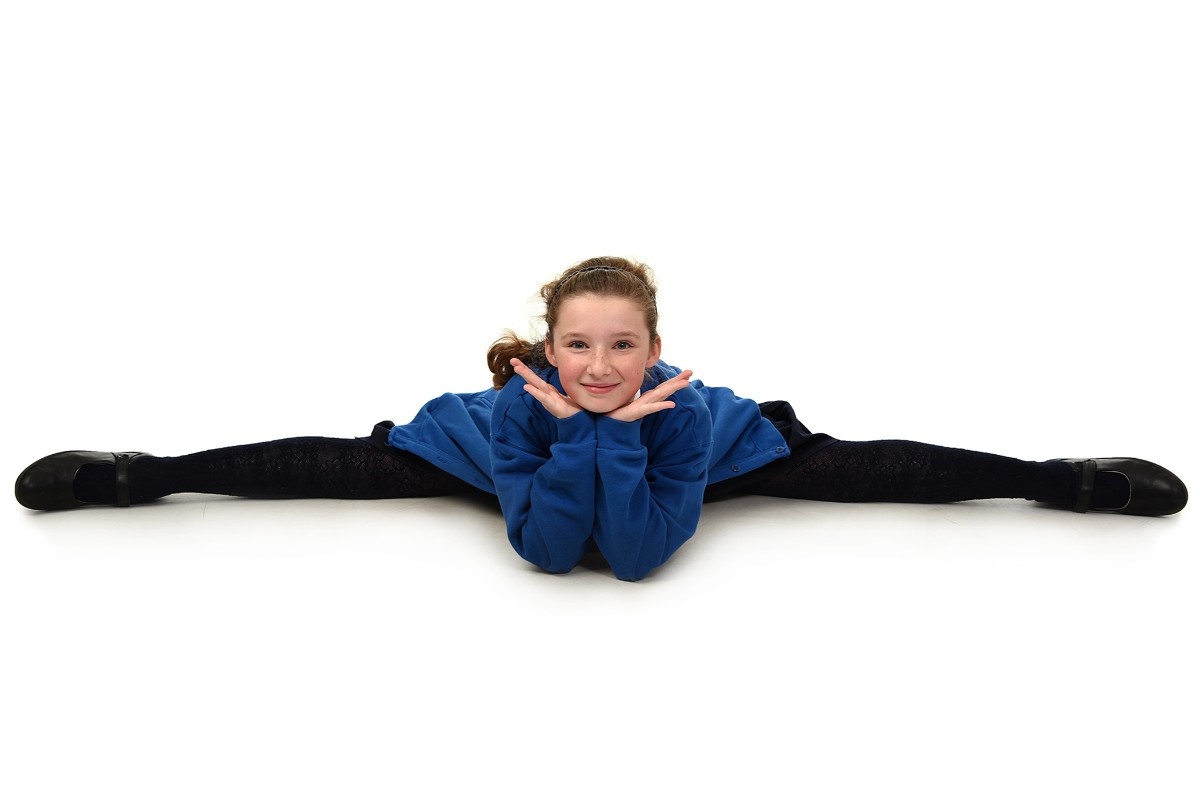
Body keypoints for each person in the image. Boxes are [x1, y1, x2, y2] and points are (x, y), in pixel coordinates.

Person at [14, 256, 1189, 580]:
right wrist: (569, 432)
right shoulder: (507, 411)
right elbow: (545, 546)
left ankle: (1062, 476)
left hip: (679, 455)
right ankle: (142, 472)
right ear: (548, 345)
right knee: (330, 463)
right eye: (578, 345)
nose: (599, 364)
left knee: (866, 466)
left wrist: (623, 434)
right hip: (511, 456)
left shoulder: (689, 414)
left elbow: (628, 558)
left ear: (655, 349)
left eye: (623, 346)